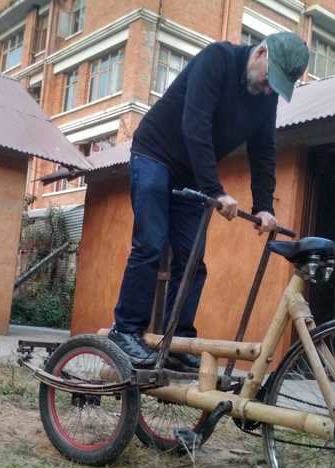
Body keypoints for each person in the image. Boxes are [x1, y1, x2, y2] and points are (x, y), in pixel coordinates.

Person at [108, 33, 309, 368]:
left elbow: (264, 152)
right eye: (270, 80)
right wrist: (214, 189)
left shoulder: (265, 96)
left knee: (192, 261)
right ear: (260, 52)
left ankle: (177, 340)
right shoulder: (217, 59)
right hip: (155, 154)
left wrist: (264, 206)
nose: (270, 90)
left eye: (278, 86)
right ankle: (125, 330)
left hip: (189, 173)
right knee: (151, 244)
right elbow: (195, 124)